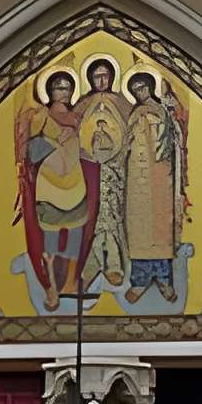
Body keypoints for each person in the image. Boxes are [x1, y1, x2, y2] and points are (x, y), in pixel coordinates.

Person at [15, 69, 95, 312]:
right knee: (49, 239)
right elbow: (29, 150)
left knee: (75, 234)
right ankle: (51, 286)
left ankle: (71, 282)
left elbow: (89, 148)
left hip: (75, 183)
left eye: (67, 88)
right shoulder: (41, 116)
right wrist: (54, 141)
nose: (64, 92)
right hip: (49, 184)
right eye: (59, 88)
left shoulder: (78, 118)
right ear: (49, 91)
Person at [122, 69, 188, 304]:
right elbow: (124, 142)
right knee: (139, 228)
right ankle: (139, 281)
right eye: (135, 90)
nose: (140, 93)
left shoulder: (163, 111)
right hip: (137, 179)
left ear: (150, 87)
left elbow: (175, 139)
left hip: (160, 175)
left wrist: (167, 117)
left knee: (161, 225)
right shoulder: (134, 114)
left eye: (142, 87)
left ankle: (164, 279)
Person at [75, 56, 131, 289]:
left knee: (112, 215)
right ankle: (92, 264)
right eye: (96, 76)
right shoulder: (82, 104)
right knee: (93, 215)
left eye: (104, 75)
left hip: (115, 167)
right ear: (89, 78)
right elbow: (73, 133)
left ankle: (112, 264)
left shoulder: (121, 103)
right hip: (88, 167)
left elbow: (129, 133)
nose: (101, 80)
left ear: (112, 77)